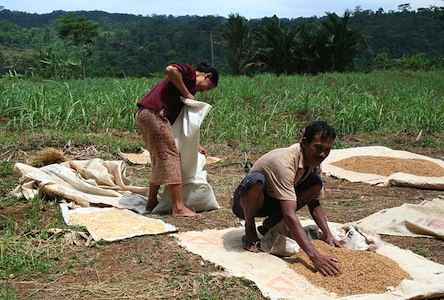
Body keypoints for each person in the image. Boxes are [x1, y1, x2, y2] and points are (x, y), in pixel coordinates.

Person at [231, 120, 342, 276]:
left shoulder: (314, 161)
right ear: (304, 142)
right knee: (256, 181)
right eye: (318, 148)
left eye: (327, 150)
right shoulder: (285, 161)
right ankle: (250, 229)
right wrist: (314, 256)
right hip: (247, 203)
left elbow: (314, 203)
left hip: (274, 200)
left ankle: (271, 223)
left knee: (316, 183)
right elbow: (290, 216)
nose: (322, 154)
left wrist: (328, 235)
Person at [135, 62, 219, 217]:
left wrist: (195, 144)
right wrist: (186, 93)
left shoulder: (187, 86)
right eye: (206, 87)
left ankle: (151, 202)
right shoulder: (189, 73)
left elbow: (179, 124)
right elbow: (170, 69)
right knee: (172, 157)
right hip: (153, 114)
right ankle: (178, 207)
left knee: (159, 159)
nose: (202, 90)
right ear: (207, 75)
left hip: (145, 115)